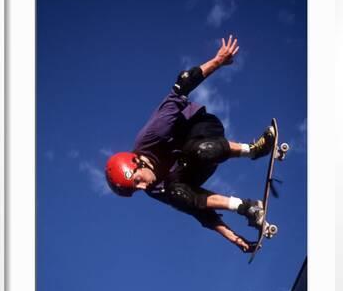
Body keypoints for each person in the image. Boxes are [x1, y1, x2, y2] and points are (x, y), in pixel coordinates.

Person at [105, 36, 275, 253]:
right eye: (136, 190)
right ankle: (247, 207)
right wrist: (234, 238)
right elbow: (199, 210)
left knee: (198, 151)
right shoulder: (155, 189)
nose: (143, 187)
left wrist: (218, 60)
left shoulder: (150, 136)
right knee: (178, 195)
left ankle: (253, 150)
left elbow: (181, 87)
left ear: (137, 161)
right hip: (192, 169)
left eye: (137, 181)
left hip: (202, 130)